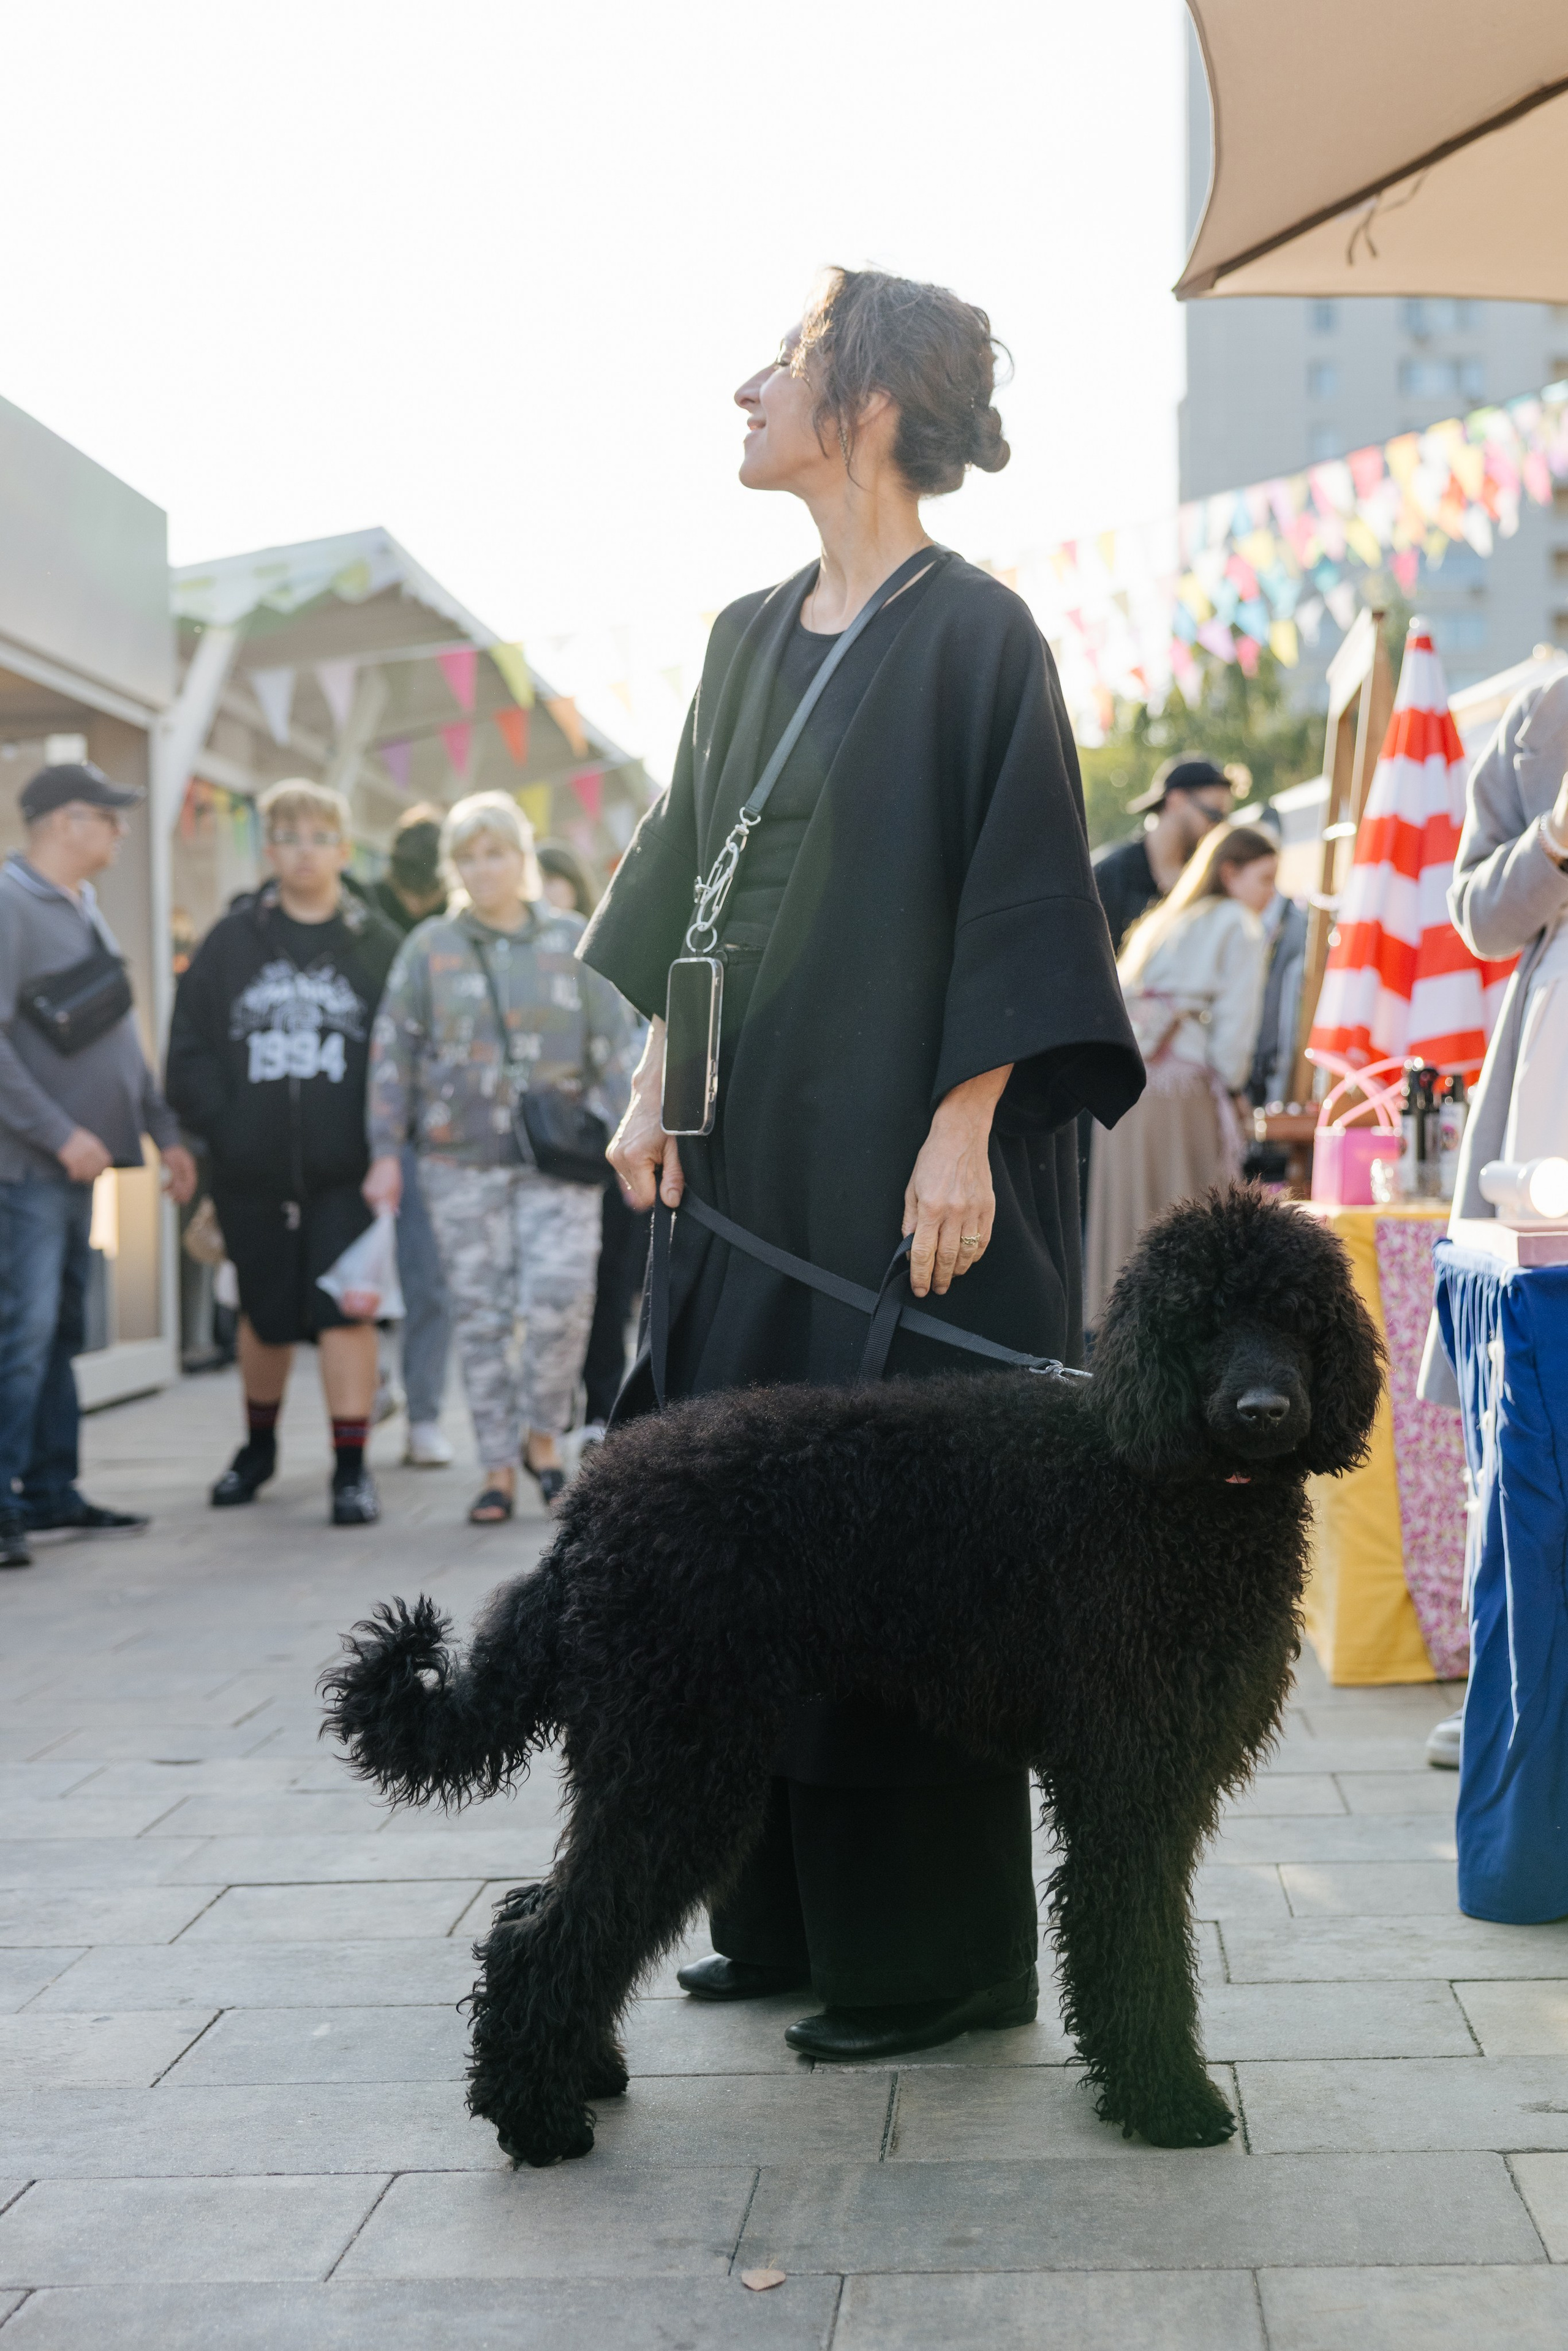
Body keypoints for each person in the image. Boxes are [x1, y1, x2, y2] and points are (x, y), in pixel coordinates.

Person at [577, 266, 1141, 2062]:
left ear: (871, 402)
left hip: (910, 1176)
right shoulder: (743, 637)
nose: (744, 388)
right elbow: (695, 881)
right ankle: (780, 1918)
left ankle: (934, 1962)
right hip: (749, 1174)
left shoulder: (979, 636)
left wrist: (964, 1127)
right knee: (748, 1525)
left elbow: (1024, 896)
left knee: (903, 1547)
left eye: (788, 361)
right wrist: (655, 1083)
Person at [364, 792, 633, 1522]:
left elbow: (617, 1047)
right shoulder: (429, 947)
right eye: (468, 856)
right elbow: (393, 1052)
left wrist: (630, 1142)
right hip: (458, 1161)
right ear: (453, 867)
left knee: (560, 1301)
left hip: (561, 1162)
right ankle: (496, 1467)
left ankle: (542, 1437)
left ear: (522, 856)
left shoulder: (575, 939)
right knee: (480, 1315)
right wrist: (385, 1151)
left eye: (496, 853)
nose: (483, 869)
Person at [166, 780, 401, 1525]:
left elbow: (404, 1050)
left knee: (346, 1311)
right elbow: (189, 1045)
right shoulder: (230, 941)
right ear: (268, 849)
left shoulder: (377, 943)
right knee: (264, 1314)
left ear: (343, 848)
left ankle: (351, 1468)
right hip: (251, 1171)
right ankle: (258, 1448)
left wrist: (388, 1144)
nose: (305, 852)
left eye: (319, 837)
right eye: (290, 837)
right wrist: (226, 1127)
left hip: (347, 1170)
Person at [0, 762, 197, 1569]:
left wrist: (163, 1132)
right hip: (28, 1170)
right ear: (63, 821)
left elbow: (116, 1038)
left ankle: (51, 1490)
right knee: (23, 1330)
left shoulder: (82, 906)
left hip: (77, 1170)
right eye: (107, 817)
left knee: (57, 1330)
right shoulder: (10, 902)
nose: (120, 831)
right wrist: (58, 1133)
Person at [1084, 821, 1275, 1326]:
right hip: (1183, 1095)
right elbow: (1235, 1026)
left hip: (1126, 1092)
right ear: (1230, 873)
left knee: (1128, 1230)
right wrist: (1232, 1086)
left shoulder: (1164, 921)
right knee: (1192, 1233)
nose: (1271, 894)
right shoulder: (1239, 923)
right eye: (1265, 879)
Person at [537, 840, 652, 1433]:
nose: (545, 895)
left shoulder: (603, 954)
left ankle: (601, 1410)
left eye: (554, 881)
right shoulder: (518, 961)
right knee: (553, 1293)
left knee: (607, 1284)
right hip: (545, 1151)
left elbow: (627, 1052)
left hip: (602, 1143)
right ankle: (550, 1417)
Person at [360, 804, 454, 1468]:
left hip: (432, 1131)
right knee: (357, 1278)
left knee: (428, 1281)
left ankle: (422, 1412)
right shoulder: (363, 915)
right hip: (365, 1121)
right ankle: (373, 1388)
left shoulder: (458, 924)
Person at [1091, 756, 1235, 956]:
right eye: (1214, 815)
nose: (1220, 828)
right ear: (1176, 800)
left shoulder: (1210, 876)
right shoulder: (1107, 875)